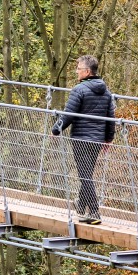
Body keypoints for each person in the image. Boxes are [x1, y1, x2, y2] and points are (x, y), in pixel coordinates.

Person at [52, 55, 116, 224]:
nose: (76, 71)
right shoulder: (107, 92)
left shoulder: (79, 90)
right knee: (86, 173)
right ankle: (80, 205)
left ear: (87, 72)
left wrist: (56, 129)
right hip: (97, 140)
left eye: (79, 69)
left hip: (81, 139)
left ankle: (94, 212)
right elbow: (111, 117)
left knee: (85, 176)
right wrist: (108, 139)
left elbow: (68, 115)